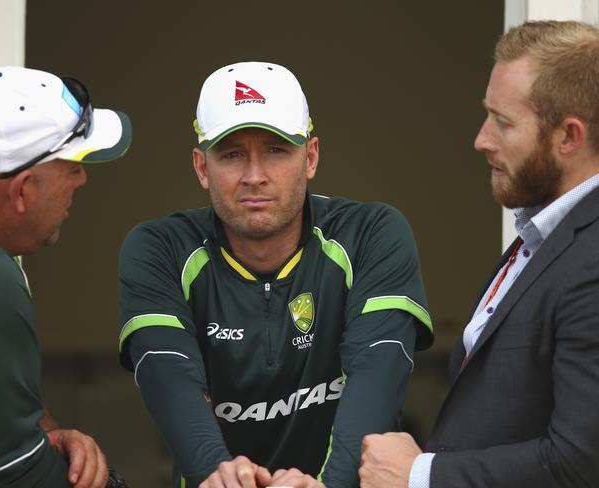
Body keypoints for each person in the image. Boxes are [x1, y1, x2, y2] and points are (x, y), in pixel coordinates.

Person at [118, 61, 433, 488]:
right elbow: (166, 374)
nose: (254, 176)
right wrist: (218, 473)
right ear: (200, 167)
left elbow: (379, 366)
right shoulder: (160, 248)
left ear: (312, 157)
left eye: (276, 150)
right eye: (231, 154)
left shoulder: (371, 233)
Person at [359, 20, 599, 488]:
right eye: (487, 114)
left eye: (503, 122)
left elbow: (580, 463)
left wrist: (420, 475)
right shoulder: (543, 234)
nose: (481, 138)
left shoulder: (592, 258)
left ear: (568, 137)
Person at [0, 66, 132, 487]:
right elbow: (9, 474)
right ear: (23, 190)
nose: (83, 178)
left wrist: (45, 432)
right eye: (72, 167)